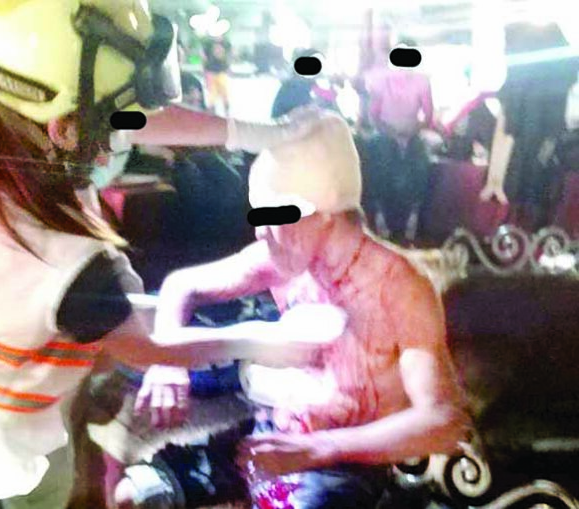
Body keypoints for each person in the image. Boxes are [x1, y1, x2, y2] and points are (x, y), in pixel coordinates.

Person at [0, 1, 331, 508]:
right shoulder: (60, 258)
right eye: (106, 125)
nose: (114, 142)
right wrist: (266, 341)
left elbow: (112, 114)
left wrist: (256, 134)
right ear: (62, 128)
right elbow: (149, 344)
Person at [113, 113, 472, 509]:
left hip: (344, 464)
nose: (260, 233)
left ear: (327, 211)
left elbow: (444, 420)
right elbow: (183, 285)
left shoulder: (399, 287)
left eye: (275, 217)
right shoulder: (282, 258)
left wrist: (320, 448)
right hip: (270, 434)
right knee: (134, 494)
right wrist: (167, 363)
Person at [479, 21, 579, 231]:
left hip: (523, 164)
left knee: (522, 217)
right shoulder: (559, 76)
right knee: (538, 213)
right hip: (548, 160)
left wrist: (495, 179)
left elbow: (506, 128)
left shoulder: (519, 83)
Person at [362, 37, 434, 243]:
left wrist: (411, 131)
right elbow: (373, 116)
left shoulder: (422, 81)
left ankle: (413, 217)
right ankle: (380, 217)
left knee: (421, 166)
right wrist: (392, 133)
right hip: (385, 134)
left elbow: (428, 115)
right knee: (380, 163)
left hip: (411, 134)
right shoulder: (381, 81)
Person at [202, 38, 232, 116]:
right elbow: (204, 57)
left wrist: (228, 67)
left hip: (221, 71)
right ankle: (212, 111)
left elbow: (228, 56)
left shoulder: (226, 43)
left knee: (224, 92)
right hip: (210, 71)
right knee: (212, 93)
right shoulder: (208, 43)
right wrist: (204, 71)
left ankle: (226, 111)